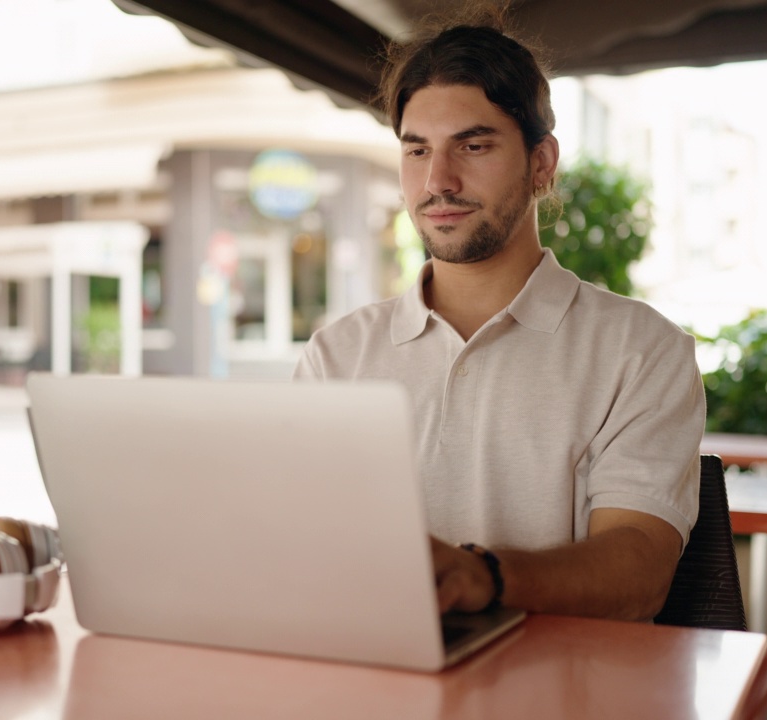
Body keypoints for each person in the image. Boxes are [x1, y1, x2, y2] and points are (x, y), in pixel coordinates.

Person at [292, 8, 705, 622]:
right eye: (417, 150)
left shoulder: (641, 350)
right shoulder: (336, 355)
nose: (438, 181)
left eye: (474, 145)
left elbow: (639, 570)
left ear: (541, 164)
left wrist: (485, 576)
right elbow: (300, 547)